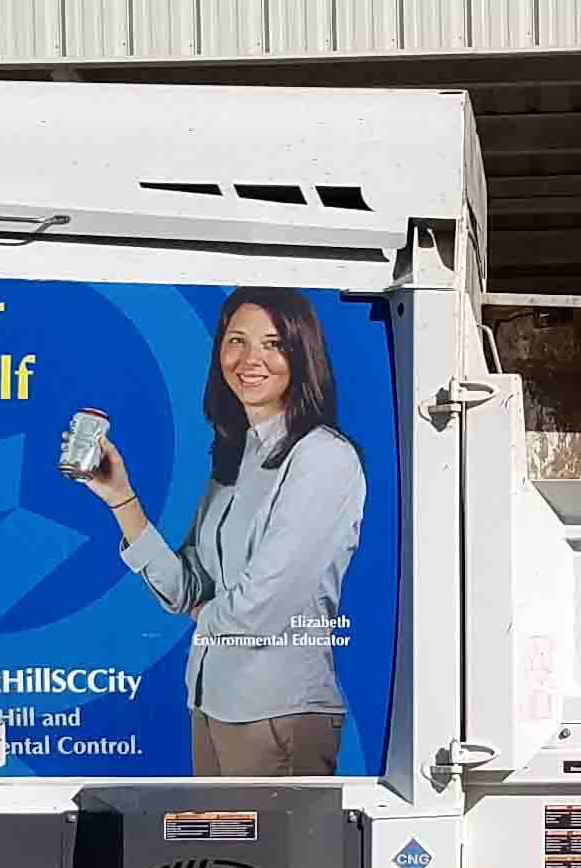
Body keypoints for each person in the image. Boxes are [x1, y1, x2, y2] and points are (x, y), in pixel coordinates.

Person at [71, 288, 366, 775]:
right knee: (219, 851)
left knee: (269, 855)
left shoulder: (322, 457)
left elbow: (267, 602)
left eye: (274, 343)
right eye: (237, 341)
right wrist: (120, 497)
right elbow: (184, 588)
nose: (251, 359)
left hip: (278, 713)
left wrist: (207, 616)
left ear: (302, 352)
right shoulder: (234, 458)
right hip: (211, 702)